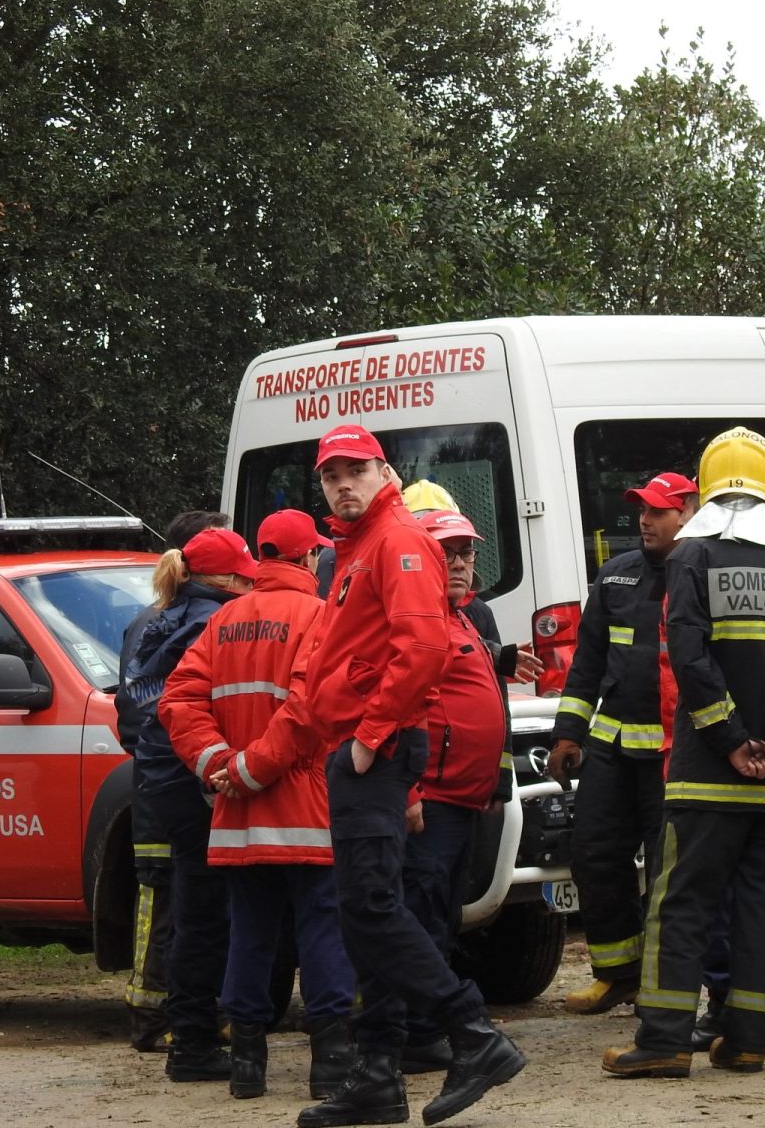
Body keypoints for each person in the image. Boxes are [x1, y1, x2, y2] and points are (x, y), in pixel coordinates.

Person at [214, 424, 525, 1128]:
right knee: (366, 913)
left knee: (372, 910)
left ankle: (472, 1034)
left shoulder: (395, 542)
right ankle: (380, 1077)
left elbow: (421, 649)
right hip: (361, 755)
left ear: (383, 472)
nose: (343, 484)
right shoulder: (355, 554)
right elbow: (321, 675)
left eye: (355, 470)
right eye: (330, 475)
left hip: (373, 754)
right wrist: (256, 764)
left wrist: (372, 738)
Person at [603, 427, 765, 1078]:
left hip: (711, 780)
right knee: (764, 907)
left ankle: (664, 1039)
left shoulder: (693, 558)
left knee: (681, 901)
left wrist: (729, 740)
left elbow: (688, 658)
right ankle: (747, 1037)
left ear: (710, 486)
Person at [163, 508, 353, 1101]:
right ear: (305, 558)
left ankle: (247, 1065)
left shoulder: (222, 623)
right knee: (323, 930)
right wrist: (250, 769)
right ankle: (330, 1065)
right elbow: (308, 709)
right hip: (304, 808)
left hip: (239, 817)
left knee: (248, 934)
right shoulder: (321, 615)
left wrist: (220, 765)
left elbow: (178, 702)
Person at [399, 509, 541, 1073]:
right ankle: (416, 1032)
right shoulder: (415, 620)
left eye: (466, 553)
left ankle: (426, 1026)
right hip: (428, 801)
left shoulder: (461, 618)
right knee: (421, 911)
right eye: (447, 552)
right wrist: (409, 790)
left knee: (444, 915)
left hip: (464, 799)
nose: (459, 563)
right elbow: (397, 710)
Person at [550, 471, 697, 1015]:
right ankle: (617, 974)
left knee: (666, 873)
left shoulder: (700, 572)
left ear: (688, 511)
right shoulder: (615, 578)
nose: (644, 520)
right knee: (593, 855)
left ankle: (662, 986)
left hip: (674, 753)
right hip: (612, 750)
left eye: (658, 510)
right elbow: (587, 664)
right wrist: (568, 733)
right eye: (641, 510)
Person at [121, 526, 258, 1081]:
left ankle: (186, 1032)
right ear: (226, 577)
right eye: (245, 575)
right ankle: (198, 1041)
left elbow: (131, 712)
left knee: (184, 907)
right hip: (204, 780)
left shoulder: (147, 620)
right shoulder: (216, 621)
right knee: (209, 914)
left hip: (158, 779)